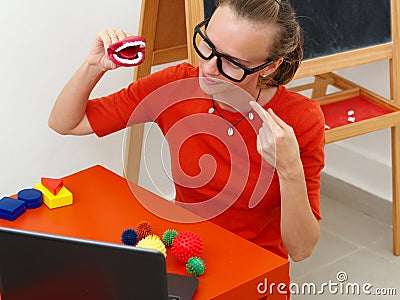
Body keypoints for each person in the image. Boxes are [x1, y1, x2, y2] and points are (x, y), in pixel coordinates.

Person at [49, 0, 325, 262]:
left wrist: (289, 169)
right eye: (207, 45)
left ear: (270, 66)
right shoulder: (176, 86)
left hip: (256, 268)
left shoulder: (300, 120)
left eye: (232, 63)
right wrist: (93, 66)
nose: (207, 67)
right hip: (186, 252)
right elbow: (66, 123)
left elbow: (301, 249)